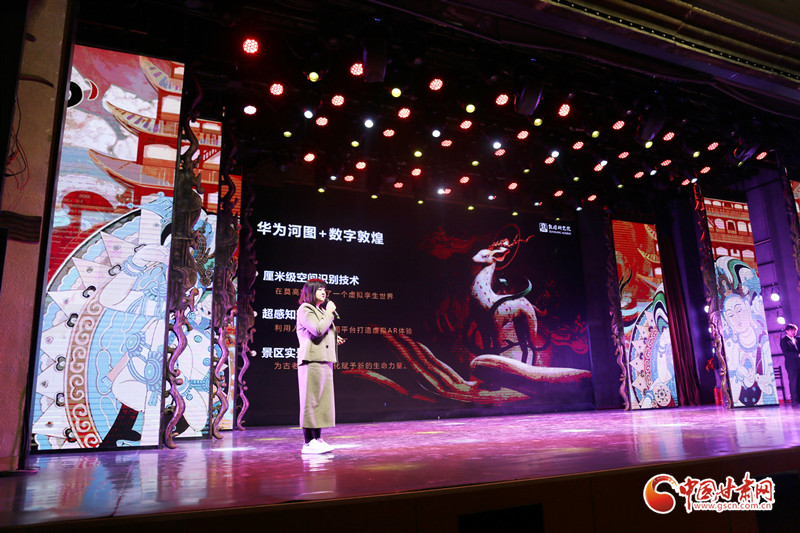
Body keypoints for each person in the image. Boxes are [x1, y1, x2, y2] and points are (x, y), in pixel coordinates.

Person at [296, 279, 345, 454]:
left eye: (324, 289)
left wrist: (334, 338)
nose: (324, 292)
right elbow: (316, 330)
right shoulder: (305, 309)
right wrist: (330, 313)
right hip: (311, 360)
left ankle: (317, 438)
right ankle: (308, 442)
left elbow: (323, 331)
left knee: (321, 402)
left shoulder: (321, 311)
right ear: (310, 292)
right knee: (311, 401)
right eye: (319, 289)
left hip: (324, 360)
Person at [779, 323, 800, 407]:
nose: (794, 332)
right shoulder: (784, 341)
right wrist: (797, 355)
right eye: (792, 330)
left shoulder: (797, 339)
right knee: (794, 382)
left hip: (799, 364)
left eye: (795, 331)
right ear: (787, 331)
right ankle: (795, 401)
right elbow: (786, 353)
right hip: (791, 365)